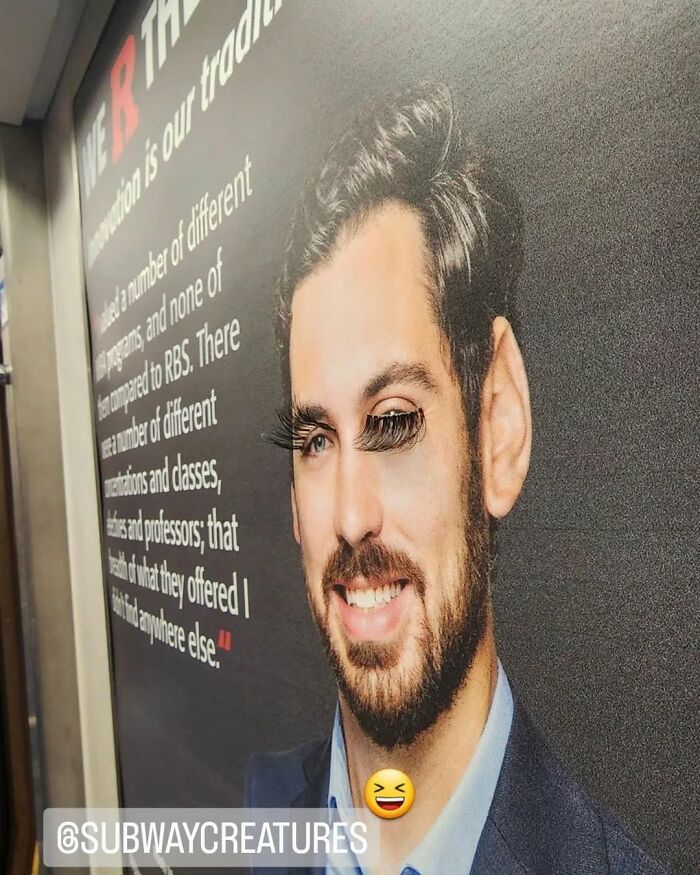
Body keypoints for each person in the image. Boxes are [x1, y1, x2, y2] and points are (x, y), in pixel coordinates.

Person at [245, 84, 668, 875]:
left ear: (497, 427)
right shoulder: (265, 807)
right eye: (315, 438)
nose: (347, 516)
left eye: (394, 421)